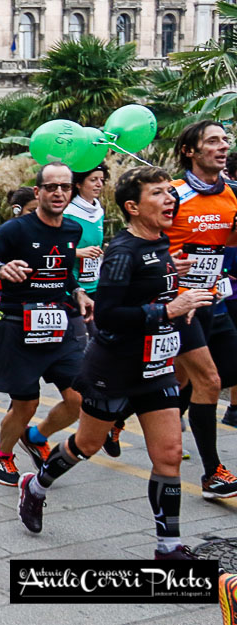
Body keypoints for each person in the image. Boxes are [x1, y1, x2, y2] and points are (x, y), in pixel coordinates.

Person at [16, 166, 211, 560]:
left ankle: (168, 547)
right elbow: (107, 316)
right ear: (133, 207)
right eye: (158, 193)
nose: (170, 199)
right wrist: (169, 309)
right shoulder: (122, 252)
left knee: (170, 453)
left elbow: (150, 289)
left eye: (169, 192)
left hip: (155, 368)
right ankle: (35, 486)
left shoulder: (160, 241)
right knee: (87, 444)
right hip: (114, 369)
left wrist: (174, 287)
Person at [0, 162, 94, 487]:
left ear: (72, 191)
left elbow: (63, 272)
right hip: (18, 326)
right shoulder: (16, 229)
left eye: (65, 187)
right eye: (51, 187)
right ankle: (1, 455)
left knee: (79, 399)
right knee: (26, 404)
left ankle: (36, 436)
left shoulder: (72, 230)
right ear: (38, 191)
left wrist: (78, 291)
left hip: (59, 325)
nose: (59, 193)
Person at [161, 120, 237, 498]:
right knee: (208, 381)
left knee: (192, 379)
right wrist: (166, 264)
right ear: (189, 151)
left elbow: (229, 241)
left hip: (212, 299)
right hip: (178, 303)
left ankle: (118, 418)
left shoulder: (232, 194)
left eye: (225, 140)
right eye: (213, 141)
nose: (223, 146)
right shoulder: (172, 194)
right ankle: (212, 474)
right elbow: (141, 242)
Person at [65, 164, 109, 334]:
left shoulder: (99, 211)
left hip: (94, 283)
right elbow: (54, 248)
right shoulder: (67, 212)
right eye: (93, 180)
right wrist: (78, 252)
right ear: (78, 184)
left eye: (101, 180)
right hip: (72, 285)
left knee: (97, 334)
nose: (99, 184)